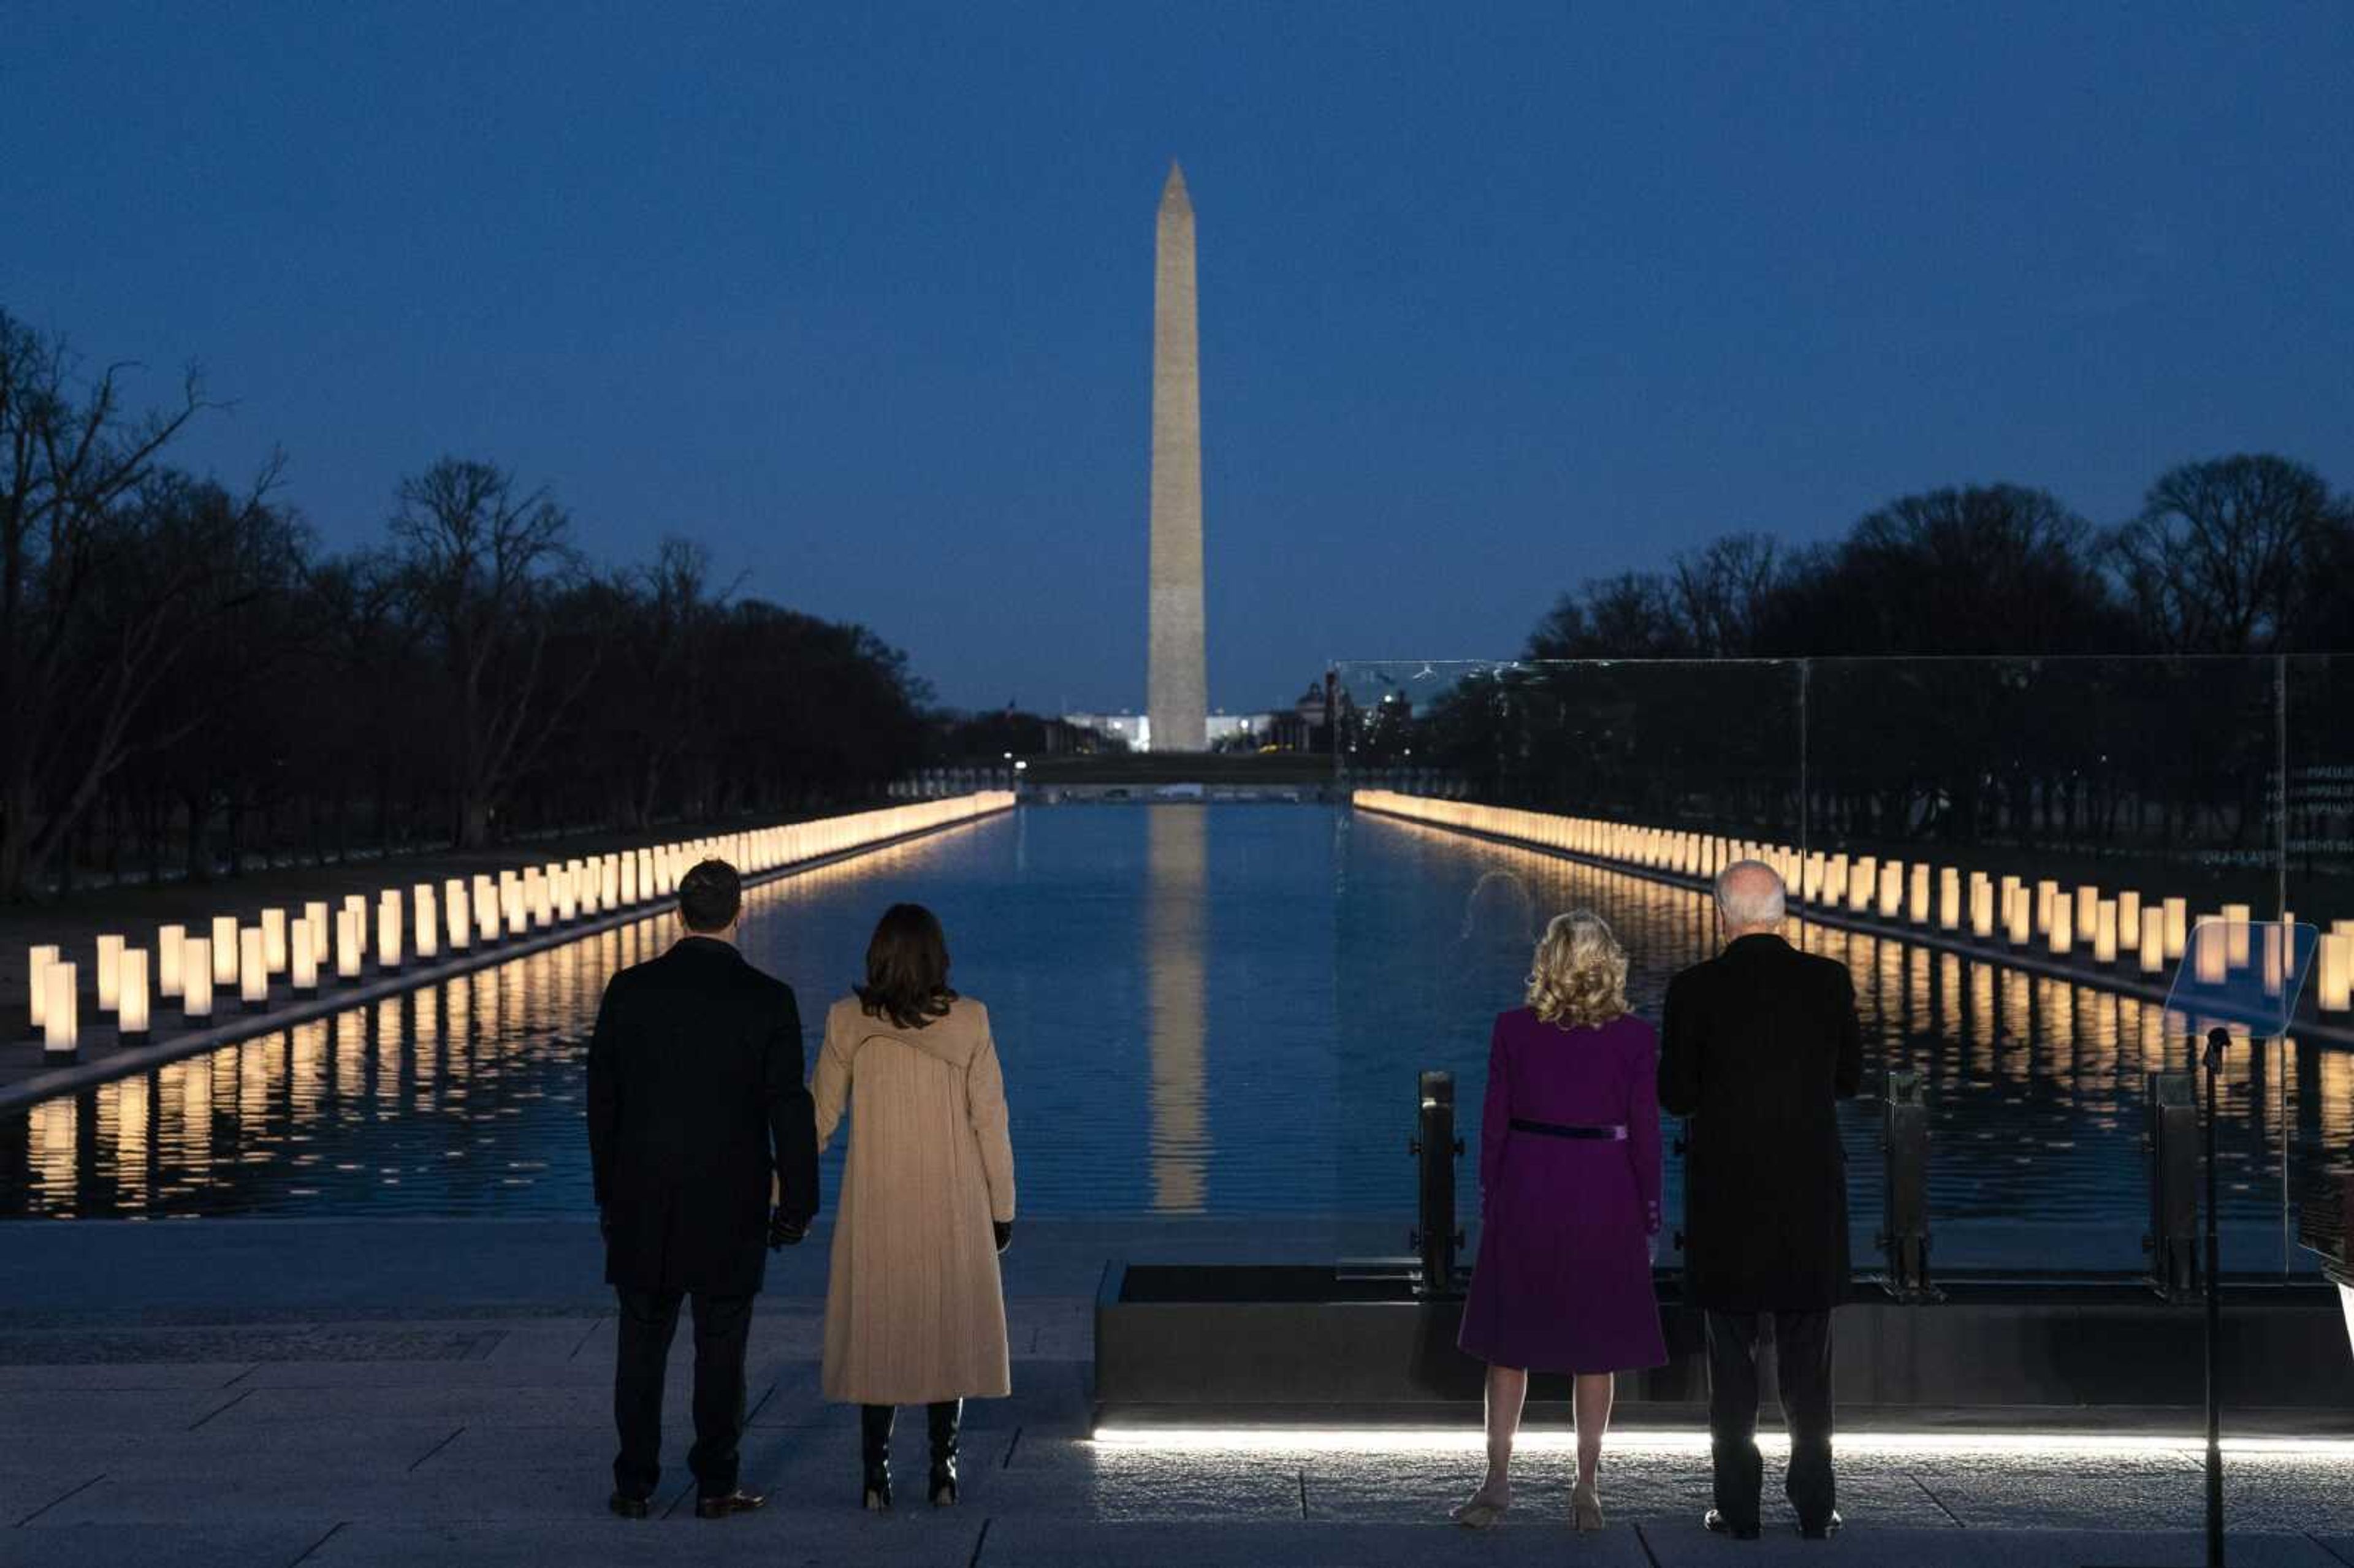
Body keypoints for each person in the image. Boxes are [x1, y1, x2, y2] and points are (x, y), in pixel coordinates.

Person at [585, 858, 819, 1521]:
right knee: (722, 1347)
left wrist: (609, 1190)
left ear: (678, 913)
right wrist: (797, 1204)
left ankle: (634, 1483)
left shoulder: (628, 990)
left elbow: (602, 1103)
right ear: (739, 913)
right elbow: (788, 1108)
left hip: (641, 1195)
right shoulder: (768, 998)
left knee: (641, 1342)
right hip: (730, 1197)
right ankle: (716, 1482)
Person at [1659, 859, 1862, 1541]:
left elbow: (1676, 1094)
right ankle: (1814, 1506)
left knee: (1732, 1362)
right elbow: (1851, 1078)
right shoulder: (1828, 981)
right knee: (1811, 1366)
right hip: (1808, 1196)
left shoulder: (1693, 989)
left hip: (1728, 1200)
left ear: (1722, 915)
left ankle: (1738, 1507)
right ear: (1781, 914)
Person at [1452, 910, 1667, 1534]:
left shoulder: (1512, 1030)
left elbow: (1494, 1124)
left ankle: (1496, 1480)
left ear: (1548, 959)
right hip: (1604, 1191)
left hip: (1529, 1185)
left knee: (1508, 1344)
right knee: (1595, 1348)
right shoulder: (1633, 1037)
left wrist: (1492, 1196)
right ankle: (1586, 1485)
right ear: (1609, 963)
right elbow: (1646, 1136)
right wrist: (1650, 1211)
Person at [815, 902, 1016, 1510]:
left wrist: (781, 1192)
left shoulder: (847, 1020)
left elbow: (817, 1119)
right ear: (938, 955)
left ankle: (874, 1473)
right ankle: (944, 1468)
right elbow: (991, 1124)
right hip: (952, 1200)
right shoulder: (972, 1020)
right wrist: (1001, 1207)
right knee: (944, 1333)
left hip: (877, 1201)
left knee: (880, 1332)